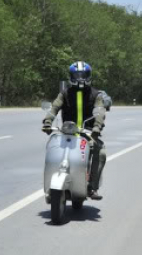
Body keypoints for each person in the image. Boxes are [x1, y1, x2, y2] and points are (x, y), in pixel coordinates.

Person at [42, 61, 107, 200]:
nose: (80, 78)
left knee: (100, 152)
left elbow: (99, 111)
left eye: (83, 75)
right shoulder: (64, 93)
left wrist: (96, 127)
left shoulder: (96, 95)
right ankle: (49, 185)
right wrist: (47, 122)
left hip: (88, 133)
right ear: (71, 76)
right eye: (77, 75)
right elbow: (54, 107)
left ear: (89, 76)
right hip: (65, 132)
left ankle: (92, 187)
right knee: (51, 147)